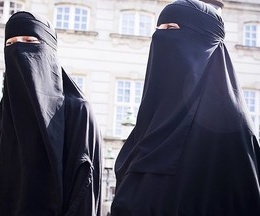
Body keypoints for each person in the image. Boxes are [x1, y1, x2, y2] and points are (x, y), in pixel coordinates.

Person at [111, 0, 260, 215]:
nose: (161, 38)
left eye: (172, 29)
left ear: (203, 40)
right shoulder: (152, 122)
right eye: (158, 29)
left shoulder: (231, 132)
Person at [0, 11, 102, 216]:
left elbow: (84, 192)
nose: (18, 49)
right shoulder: (5, 116)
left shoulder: (77, 111)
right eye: (11, 43)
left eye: (29, 41)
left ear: (49, 49)